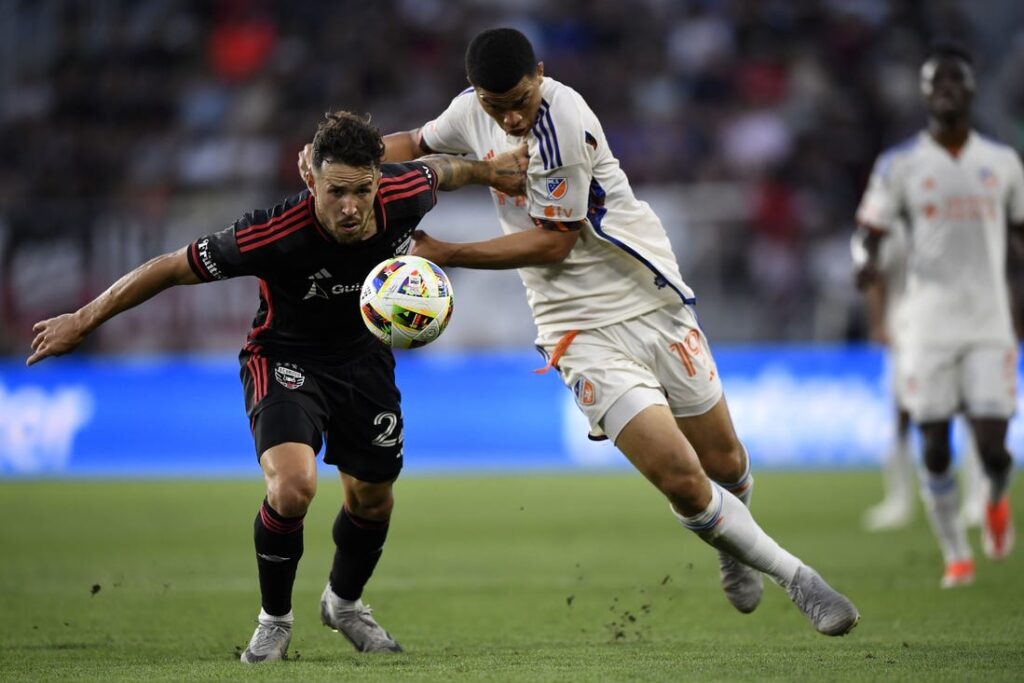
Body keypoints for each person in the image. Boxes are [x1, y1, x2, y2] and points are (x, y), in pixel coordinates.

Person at [302, 27, 860, 635]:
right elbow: (412, 141)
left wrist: (446, 252)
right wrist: (340, 158)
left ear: (539, 74)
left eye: (520, 99)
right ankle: (799, 579)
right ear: (477, 96)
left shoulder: (562, 121)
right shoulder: (472, 109)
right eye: (497, 106)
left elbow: (554, 243)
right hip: (576, 328)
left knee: (725, 460)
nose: (511, 116)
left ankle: (734, 546)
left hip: (647, 297)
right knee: (681, 478)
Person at [27, 111, 526, 662]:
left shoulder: (404, 191)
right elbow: (171, 267)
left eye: (363, 190)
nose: (352, 207)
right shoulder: (272, 234)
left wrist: (491, 171)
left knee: (373, 499)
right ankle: (275, 622)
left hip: (364, 361)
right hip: (285, 357)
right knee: (293, 488)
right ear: (311, 180)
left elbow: (440, 170)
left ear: (379, 179)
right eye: (336, 191)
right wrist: (83, 318)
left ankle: (344, 603)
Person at [855, 43, 1024, 587]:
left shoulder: (1002, 163)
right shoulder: (900, 165)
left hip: (989, 321)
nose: (946, 88)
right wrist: (865, 263)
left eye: (956, 80)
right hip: (924, 324)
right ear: (926, 94)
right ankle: (956, 553)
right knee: (932, 441)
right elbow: (868, 234)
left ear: (971, 91)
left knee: (995, 447)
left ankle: (996, 498)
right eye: (936, 81)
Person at [852, 222, 987, 532]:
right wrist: (879, 322)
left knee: (966, 410)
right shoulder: (893, 227)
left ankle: (976, 501)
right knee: (902, 415)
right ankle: (898, 501)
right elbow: (875, 275)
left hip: (955, 329)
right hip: (907, 332)